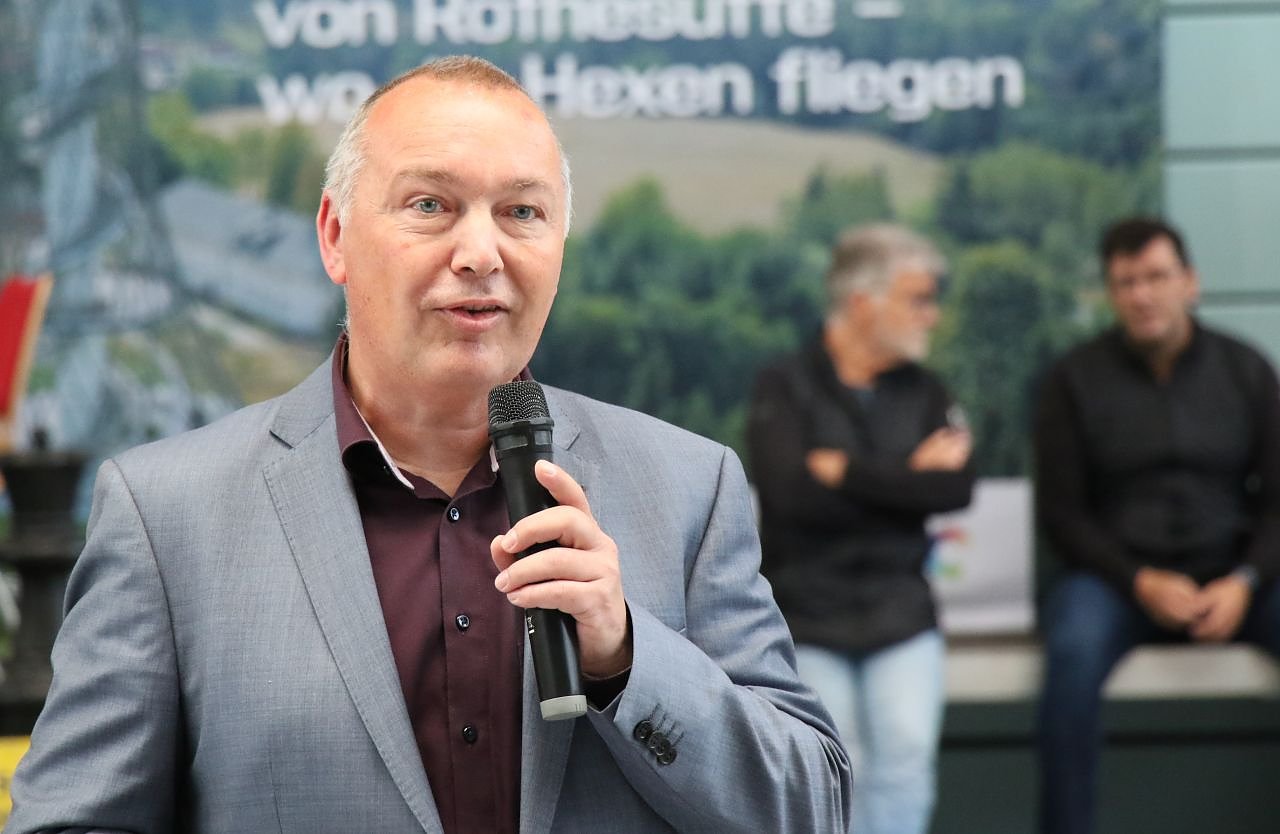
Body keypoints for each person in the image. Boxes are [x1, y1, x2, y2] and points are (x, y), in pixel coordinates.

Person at [5, 57, 852, 833]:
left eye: (521, 212)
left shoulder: (689, 486)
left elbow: (810, 806)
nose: (480, 253)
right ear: (334, 236)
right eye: (430, 206)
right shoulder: (168, 514)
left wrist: (627, 655)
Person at [1033, 217, 1280, 834]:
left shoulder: (1247, 370)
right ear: (1111, 292)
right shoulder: (1072, 380)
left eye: (1156, 277)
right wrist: (1139, 580)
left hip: (1235, 578)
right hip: (1116, 581)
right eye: (1126, 282)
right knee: (1072, 651)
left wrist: (1246, 581)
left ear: (1190, 282)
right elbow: (1062, 516)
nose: (1142, 295)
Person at [747, 224, 975, 834]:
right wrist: (908, 477)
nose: (931, 314)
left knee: (905, 762)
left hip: (902, 616)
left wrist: (847, 472)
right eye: (917, 298)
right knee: (829, 770)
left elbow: (955, 488)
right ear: (862, 302)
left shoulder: (927, 390)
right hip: (807, 619)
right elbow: (790, 497)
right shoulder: (785, 384)